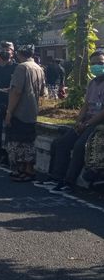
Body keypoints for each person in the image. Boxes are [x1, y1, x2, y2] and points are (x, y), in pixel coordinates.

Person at [45, 50, 104, 191]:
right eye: (94, 63)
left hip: (98, 124)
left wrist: (87, 124)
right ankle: (56, 177)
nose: (97, 66)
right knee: (60, 143)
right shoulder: (93, 83)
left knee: (79, 147)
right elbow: (86, 105)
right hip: (86, 122)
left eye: (100, 63)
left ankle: (69, 182)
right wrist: (78, 122)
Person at [4, 45, 46, 182]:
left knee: (18, 142)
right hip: (32, 110)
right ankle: (27, 169)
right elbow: (42, 92)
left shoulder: (21, 67)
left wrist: (9, 112)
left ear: (19, 54)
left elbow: (16, 92)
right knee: (29, 141)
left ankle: (24, 170)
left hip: (20, 111)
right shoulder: (39, 68)